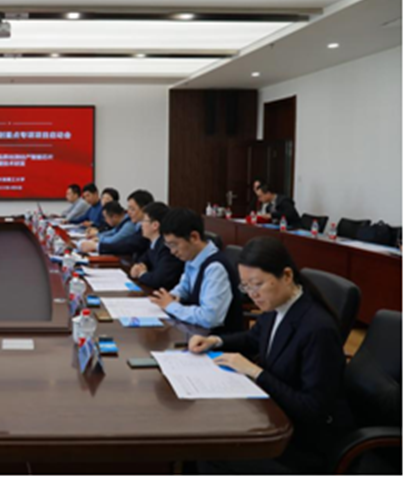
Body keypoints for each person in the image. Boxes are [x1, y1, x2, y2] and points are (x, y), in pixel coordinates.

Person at [193, 237, 353, 474]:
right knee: (205, 430)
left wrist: (255, 372)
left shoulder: (318, 329)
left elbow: (313, 409)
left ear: (286, 276)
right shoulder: (277, 305)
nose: (252, 294)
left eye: (257, 284)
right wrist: (215, 341)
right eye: (245, 287)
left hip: (301, 442)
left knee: (210, 450)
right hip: (273, 412)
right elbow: (253, 338)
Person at [150, 208, 242, 332]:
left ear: (194, 237)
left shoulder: (215, 268)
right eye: (169, 246)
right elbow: (185, 286)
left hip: (218, 339)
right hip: (196, 332)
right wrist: (174, 295)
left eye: (174, 245)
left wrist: (171, 306)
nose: (172, 251)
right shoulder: (193, 257)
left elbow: (209, 318)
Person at [129, 202, 184, 291]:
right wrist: (140, 266)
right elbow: (145, 258)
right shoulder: (154, 242)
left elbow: (159, 280)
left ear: (155, 225)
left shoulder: (167, 246)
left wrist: (142, 274)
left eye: (144, 220)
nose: (141, 224)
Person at [95, 189, 154, 258]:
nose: (128, 212)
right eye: (128, 208)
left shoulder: (136, 227)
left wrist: (97, 245)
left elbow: (127, 244)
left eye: (132, 209)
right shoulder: (137, 225)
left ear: (144, 210)